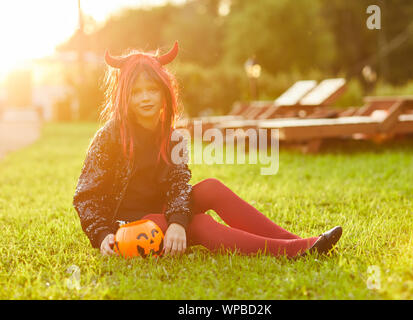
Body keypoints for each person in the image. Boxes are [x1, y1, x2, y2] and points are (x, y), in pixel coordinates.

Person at [72, 41, 342, 259]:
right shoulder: (109, 136)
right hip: (128, 229)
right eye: (136, 92)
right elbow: (86, 195)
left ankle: (301, 242)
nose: (145, 97)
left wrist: (177, 221)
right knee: (199, 224)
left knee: (211, 187)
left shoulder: (172, 136)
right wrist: (101, 234)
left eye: (152, 90)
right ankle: (293, 252)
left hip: (161, 213)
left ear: (164, 93)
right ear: (124, 97)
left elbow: (179, 183)